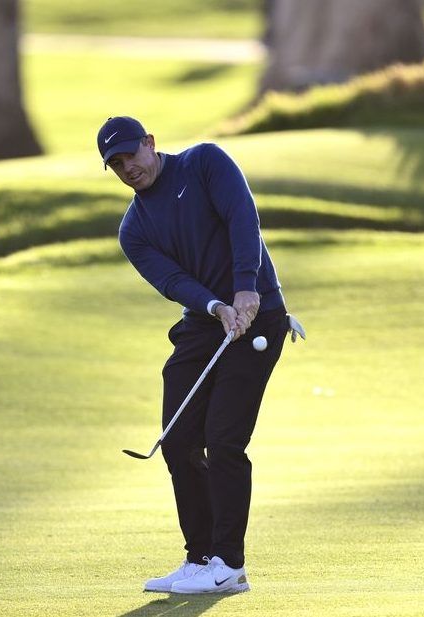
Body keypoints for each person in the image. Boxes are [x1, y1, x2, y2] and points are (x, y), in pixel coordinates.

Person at [98, 116, 298, 595]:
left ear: (150, 142)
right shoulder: (133, 229)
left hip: (259, 316)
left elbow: (242, 218)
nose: (127, 168)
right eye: (116, 164)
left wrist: (246, 288)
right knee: (178, 439)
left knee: (224, 440)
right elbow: (171, 280)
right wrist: (215, 306)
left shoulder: (204, 162)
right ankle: (201, 558)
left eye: (131, 154)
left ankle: (230, 566)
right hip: (204, 324)